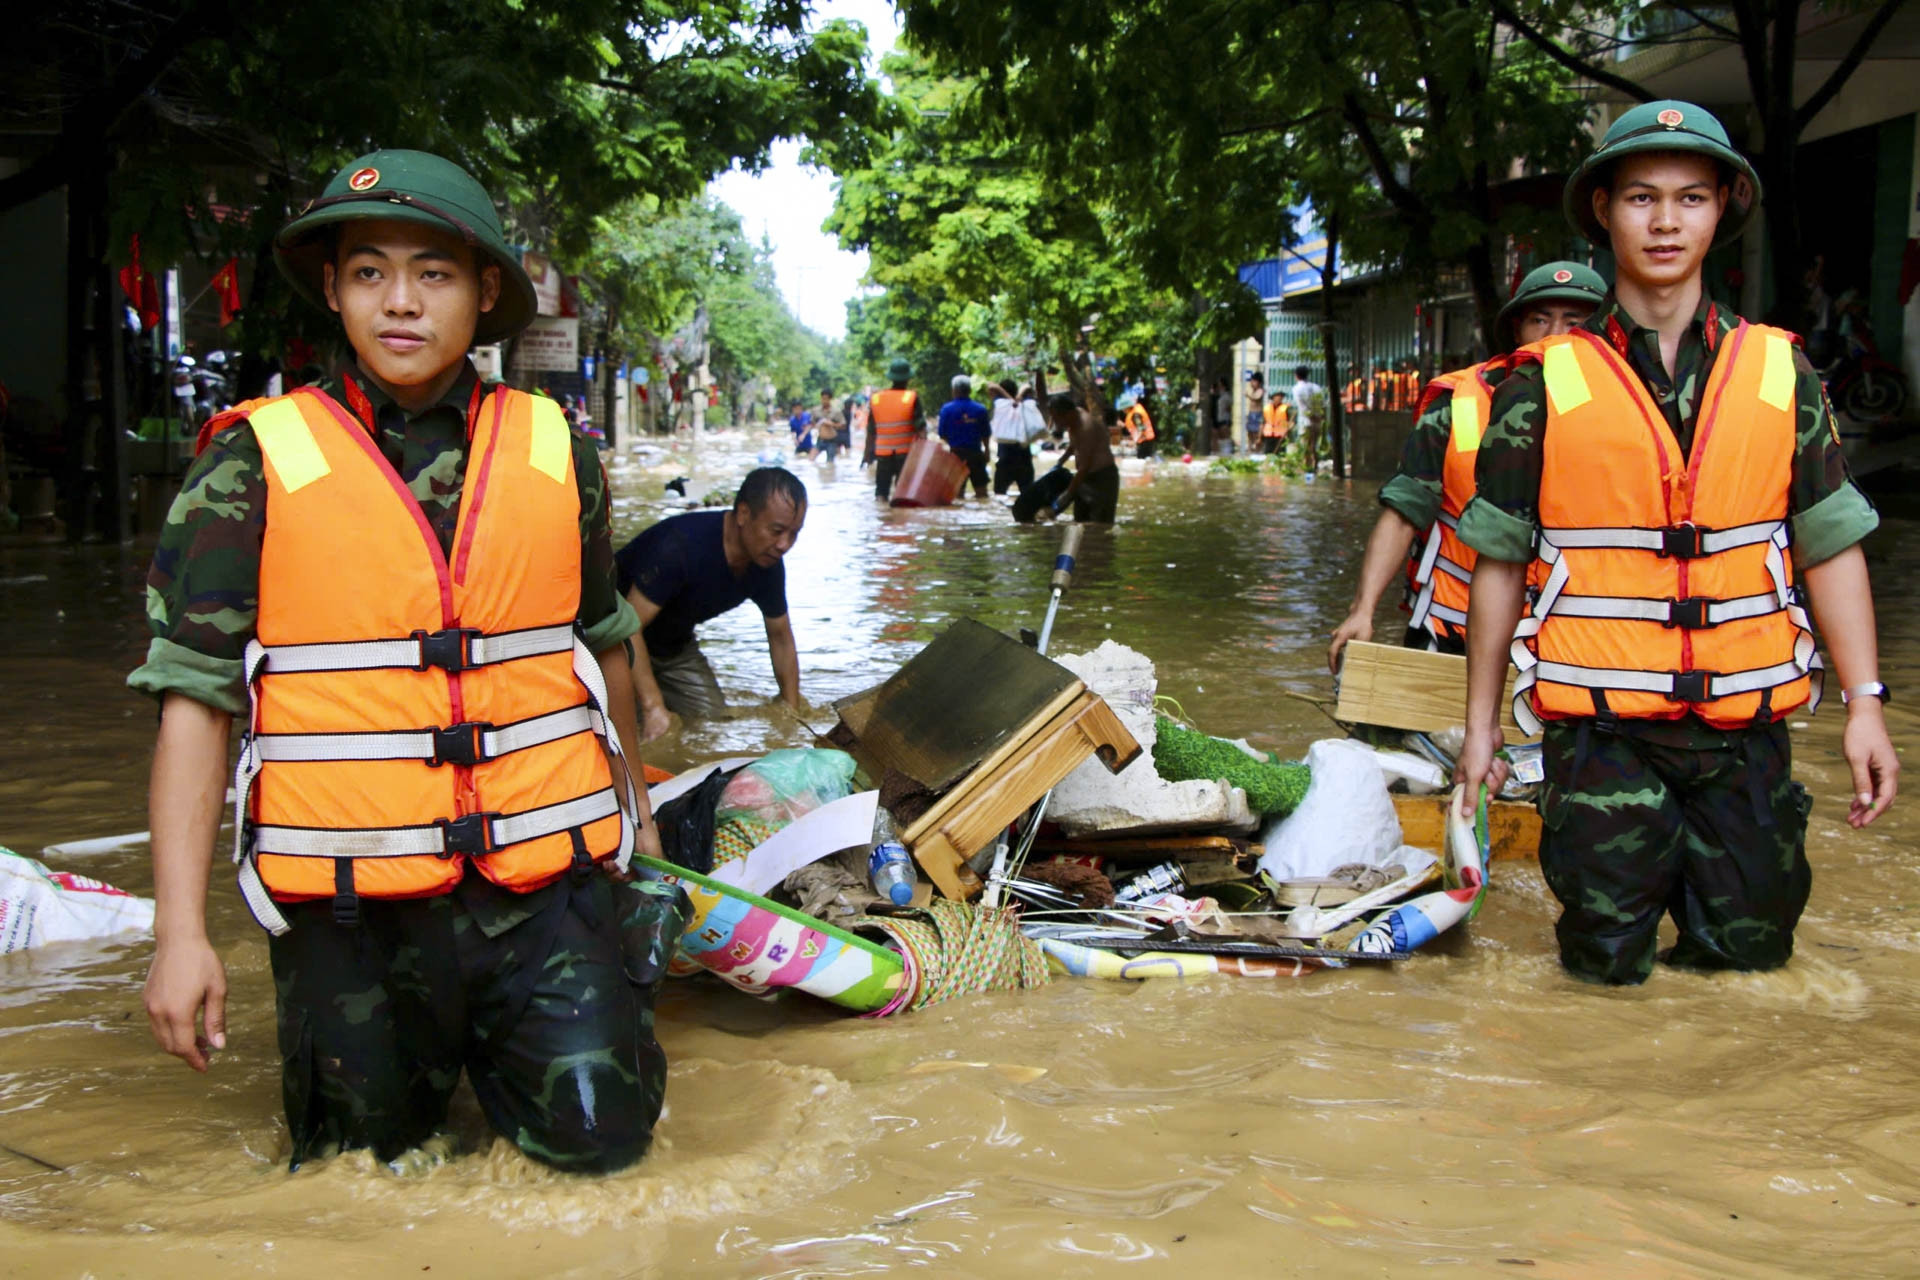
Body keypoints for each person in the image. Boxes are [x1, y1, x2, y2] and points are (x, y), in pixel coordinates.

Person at [131, 149, 683, 1174]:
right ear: (335, 290)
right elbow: (194, 705)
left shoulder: (560, 447)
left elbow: (604, 644)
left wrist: (641, 846)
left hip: (547, 893)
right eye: (370, 270)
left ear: (483, 294)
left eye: (433, 273)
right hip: (348, 913)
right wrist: (179, 933)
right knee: (362, 1182)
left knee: (606, 1157)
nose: (400, 301)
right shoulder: (250, 458)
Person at [1455, 101, 1898, 985]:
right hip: (1600, 734)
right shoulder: (1541, 384)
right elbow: (1499, 564)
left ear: (1724, 207)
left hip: (1749, 733)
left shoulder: (1781, 369)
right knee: (1602, 974)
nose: (1665, 222)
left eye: (1690, 199)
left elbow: (1832, 547)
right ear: (1604, 212)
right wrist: (1477, 730)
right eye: (1641, 199)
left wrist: (1867, 704)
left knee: (1749, 968)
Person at [1327, 262, 1605, 671]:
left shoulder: (1626, 413)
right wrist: (1362, 609)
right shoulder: (1458, 402)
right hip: (1452, 633)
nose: (1554, 336)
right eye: (1539, 320)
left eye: (1574, 322)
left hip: (1571, 643)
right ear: (1517, 330)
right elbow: (1404, 509)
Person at [617, 467, 806, 738]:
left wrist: (792, 713)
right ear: (743, 514)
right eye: (776, 531)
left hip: (673, 648)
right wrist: (653, 707)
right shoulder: (680, 546)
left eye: (794, 533)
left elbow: (781, 638)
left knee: (714, 727)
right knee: (628, 729)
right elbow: (626, 626)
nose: (784, 545)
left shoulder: (768, 563)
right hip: (612, 641)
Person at [1042, 392, 1119, 523]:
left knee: (1100, 526)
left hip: (1102, 479)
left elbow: (1084, 467)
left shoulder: (1086, 428)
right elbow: (1074, 444)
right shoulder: (1075, 418)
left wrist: (1067, 495)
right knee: (1080, 523)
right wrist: (1061, 462)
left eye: (1056, 418)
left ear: (1067, 414)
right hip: (1085, 479)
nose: (1054, 423)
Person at [868, 359, 922, 501]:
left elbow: (870, 431)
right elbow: (921, 428)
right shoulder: (911, 397)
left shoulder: (876, 399)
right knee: (904, 493)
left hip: (883, 454)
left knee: (881, 493)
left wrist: (867, 455)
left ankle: (882, 517)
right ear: (908, 378)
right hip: (905, 454)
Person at [937, 374, 991, 498]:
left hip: (956, 455)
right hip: (976, 454)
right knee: (982, 492)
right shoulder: (980, 409)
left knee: (956, 494)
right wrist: (987, 451)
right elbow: (986, 434)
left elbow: (942, 434)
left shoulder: (946, 409)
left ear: (954, 390)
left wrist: (952, 443)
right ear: (970, 390)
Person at [1289, 365, 1328, 472]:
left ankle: (1307, 468)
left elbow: (1302, 407)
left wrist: (1312, 416)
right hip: (1317, 421)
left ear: (1296, 376)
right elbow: (1323, 405)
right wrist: (1320, 418)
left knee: (1305, 446)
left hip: (1306, 421)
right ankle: (1314, 467)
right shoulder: (1317, 387)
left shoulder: (1297, 388)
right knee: (1314, 445)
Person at [813, 387, 845, 463]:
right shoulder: (816, 410)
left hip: (832, 441)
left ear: (830, 399)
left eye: (826, 399)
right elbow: (812, 423)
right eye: (823, 398)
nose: (824, 401)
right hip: (820, 439)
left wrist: (832, 424)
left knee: (830, 463)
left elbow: (843, 425)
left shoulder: (836, 411)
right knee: (811, 459)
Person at [1243, 371, 1266, 450]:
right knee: (1250, 432)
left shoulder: (1260, 390)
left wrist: (1248, 395)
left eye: (1254, 381)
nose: (1252, 383)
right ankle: (1250, 447)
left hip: (1257, 414)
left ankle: (1258, 448)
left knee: (1257, 433)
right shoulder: (1253, 390)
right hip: (1251, 413)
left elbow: (1256, 398)